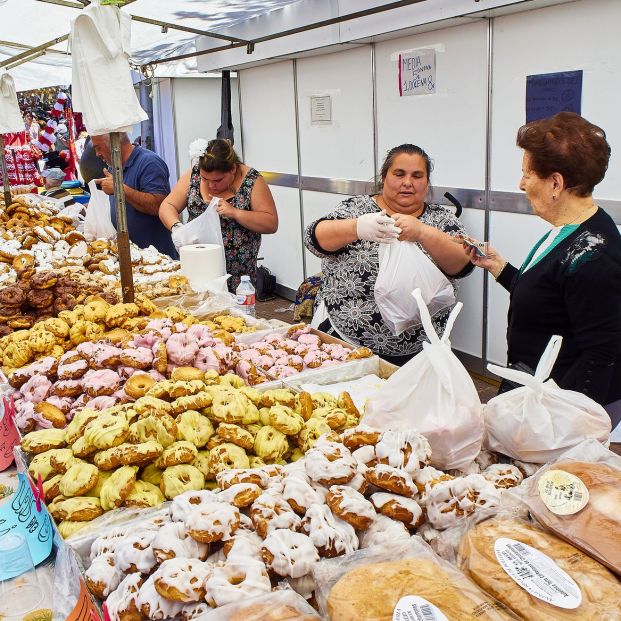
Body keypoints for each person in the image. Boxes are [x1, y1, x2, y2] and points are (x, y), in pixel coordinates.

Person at [465, 112, 621, 408]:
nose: (521, 184)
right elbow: (551, 299)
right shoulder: (570, 231)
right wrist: (500, 268)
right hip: (529, 383)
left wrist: (570, 425)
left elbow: (600, 355)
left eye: (527, 173)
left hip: (555, 404)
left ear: (556, 184)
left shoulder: (595, 256)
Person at [304, 144, 473, 365]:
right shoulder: (355, 209)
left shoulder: (442, 221)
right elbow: (313, 239)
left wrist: (423, 233)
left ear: (427, 182)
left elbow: (463, 265)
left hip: (419, 353)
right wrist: (356, 227)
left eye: (417, 176)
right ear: (384, 177)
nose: (407, 183)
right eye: (399, 174)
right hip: (345, 343)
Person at [159, 138, 278, 292]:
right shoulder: (193, 176)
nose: (210, 185)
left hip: (237, 278)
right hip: (198, 269)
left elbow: (271, 222)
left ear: (233, 170)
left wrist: (235, 213)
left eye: (218, 180)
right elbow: (167, 206)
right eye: (205, 179)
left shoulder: (251, 180)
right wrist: (177, 227)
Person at [91, 132, 176, 258]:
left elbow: (159, 206)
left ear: (115, 144)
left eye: (99, 147)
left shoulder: (149, 162)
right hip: (131, 257)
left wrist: (119, 188)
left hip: (157, 258)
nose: (97, 154)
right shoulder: (113, 167)